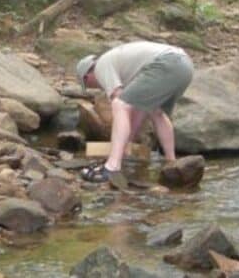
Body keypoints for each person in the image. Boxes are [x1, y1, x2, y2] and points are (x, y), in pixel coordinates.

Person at [75, 41, 194, 186]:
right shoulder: (124, 66)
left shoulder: (101, 66)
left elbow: (121, 103)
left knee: (119, 104)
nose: (94, 87)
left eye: (88, 86)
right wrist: (125, 144)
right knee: (157, 112)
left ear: (87, 77)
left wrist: (116, 151)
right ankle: (172, 163)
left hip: (167, 63)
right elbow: (137, 111)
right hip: (185, 65)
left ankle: (112, 166)